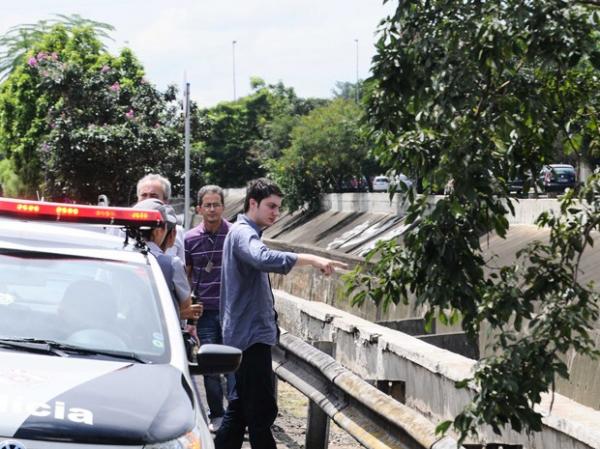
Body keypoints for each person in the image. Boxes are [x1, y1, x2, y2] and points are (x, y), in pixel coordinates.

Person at [214, 178, 347, 449]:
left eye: (278, 207)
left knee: (241, 408)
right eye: (271, 206)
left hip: (247, 334)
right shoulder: (243, 234)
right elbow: (262, 257)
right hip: (250, 338)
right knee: (261, 412)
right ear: (253, 203)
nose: (276, 213)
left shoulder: (243, 233)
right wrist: (311, 259)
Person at [184, 185, 235, 432]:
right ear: (199, 208)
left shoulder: (235, 235)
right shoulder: (190, 238)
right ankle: (217, 414)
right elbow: (186, 276)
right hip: (204, 313)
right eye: (208, 205)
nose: (212, 209)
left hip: (232, 311)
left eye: (216, 204)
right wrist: (188, 314)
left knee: (235, 365)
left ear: (223, 207)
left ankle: (236, 415)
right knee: (210, 366)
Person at [132, 198, 202, 323]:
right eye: (167, 228)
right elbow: (186, 306)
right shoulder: (172, 264)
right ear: (158, 231)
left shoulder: (121, 257)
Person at [136, 174, 185, 261]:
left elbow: (181, 268)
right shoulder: (121, 228)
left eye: (153, 196)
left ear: (166, 201)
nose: (148, 200)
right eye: (144, 195)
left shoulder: (177, 231)